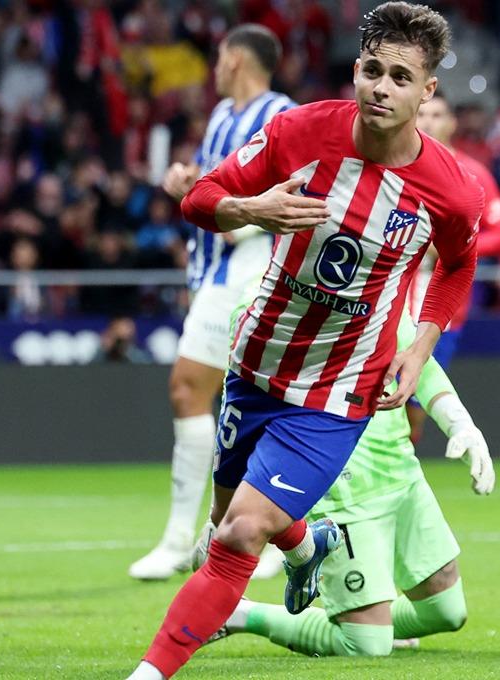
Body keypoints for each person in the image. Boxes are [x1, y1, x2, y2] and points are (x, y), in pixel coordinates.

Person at [127, 4, 482, 677]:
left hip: (335, 394)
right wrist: (250, 208)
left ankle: (148, 673)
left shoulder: (448, 192)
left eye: (400, 77)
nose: (382, 86)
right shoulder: (300, 132)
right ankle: (305, 544)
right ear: (356, 70)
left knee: (237, 537)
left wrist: (422, 342)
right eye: (372, 70)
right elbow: (201, 196)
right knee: (220, 535)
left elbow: (459, 267)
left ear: (426, 92)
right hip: (255, 367)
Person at [206, 312, 495, 656]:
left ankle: (375, 624)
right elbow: (244, 399)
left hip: (401, 474)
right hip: (340, 490)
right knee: (366, 647)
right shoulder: (273, 302)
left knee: (447, 611)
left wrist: (462, 425)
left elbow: (422, 364)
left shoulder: (382, 295)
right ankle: (243, 615)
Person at [129, 23, 295, 581]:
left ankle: (266, 534)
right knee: (194, 390)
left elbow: (291, 194)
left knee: (253, 399)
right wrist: (188, 182)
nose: (214, 67)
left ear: (239, 60)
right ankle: (185, 538)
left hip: (258, 265)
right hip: (216, 270)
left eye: (220, 57)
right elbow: (215, 184)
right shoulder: (223, 117)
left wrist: (215, 201)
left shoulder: (282, 114)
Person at [407, 91, 500, 440]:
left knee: (413, 412)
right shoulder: (392, 166)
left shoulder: (472, 173)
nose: (428, 122)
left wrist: (451, 249)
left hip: (441, 312)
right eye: (422, 114)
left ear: (452, 124)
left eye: (437, 115)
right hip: (387, 305)